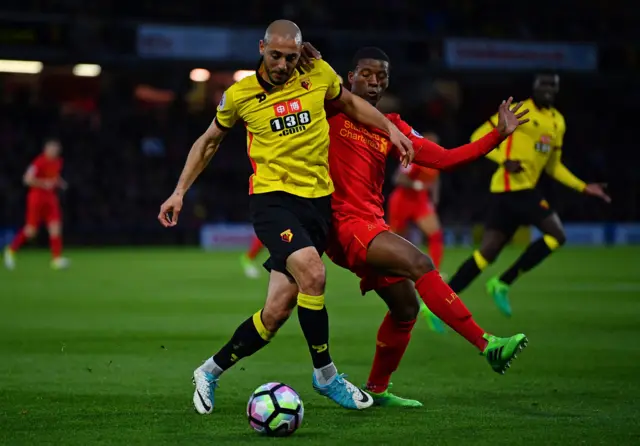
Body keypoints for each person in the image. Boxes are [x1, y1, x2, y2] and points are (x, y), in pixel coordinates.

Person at [157, 21, 414, 414]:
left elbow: (349, 103)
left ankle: (208, 371)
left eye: (290, 57)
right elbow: (208, 141)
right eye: (275, 55)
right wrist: (178, 192)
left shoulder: (317, 73)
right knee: (313, 272)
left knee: (276, 312)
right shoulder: (240, 95)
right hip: (273, 201)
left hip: (317, 204)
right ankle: (327, 376)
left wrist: (389, 130)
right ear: (261, 48)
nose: (282, 64)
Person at [320, 46, 530, 407]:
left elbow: (445, 159)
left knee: (406, 310)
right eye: (366, 74)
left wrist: (497, 135)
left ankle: (377, 390)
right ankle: (487, 344)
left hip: (372, 223)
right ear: (350, 77)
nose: (374, 82)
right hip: (343, 224)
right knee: (421, 263)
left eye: (382, 76)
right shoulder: (329, 109)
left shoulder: (393, 127)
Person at [447, 74, 611, 317]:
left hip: (522, 190)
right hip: (508, 188)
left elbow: (553, 166)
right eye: (542, 84)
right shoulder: (518, 109)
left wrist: (583, 186)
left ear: (556, 89)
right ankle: (497, 284)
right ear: (534, 87)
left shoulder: (557, 122)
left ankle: (446, 299)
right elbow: (477, 136)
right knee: (556, 235)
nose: (547, 89)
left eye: (551, 85)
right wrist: (505, 159)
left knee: (487, 253)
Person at [387, 132, 446, 332]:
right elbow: (398, 179)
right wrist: (417, 184)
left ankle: (434, 273)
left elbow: (435, 179)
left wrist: (435, 197)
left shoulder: (435, 159)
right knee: (395, 241)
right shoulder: (414, 156)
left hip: (420, 201)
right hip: (403, 201)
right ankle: (393, 274)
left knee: (436, 234)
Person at [4, 138, 70, 270]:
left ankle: (56, 259)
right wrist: (43, 183)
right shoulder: (38, 162)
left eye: (56, 149)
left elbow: (54, 177)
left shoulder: (58, 162)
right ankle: (10, 250)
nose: (54, 151)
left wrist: (60, 182)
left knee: (55, 227)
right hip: (36, 198)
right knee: (31, 231)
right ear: (45, 149)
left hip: (51, 199)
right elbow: (27, 180)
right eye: (52, 148)